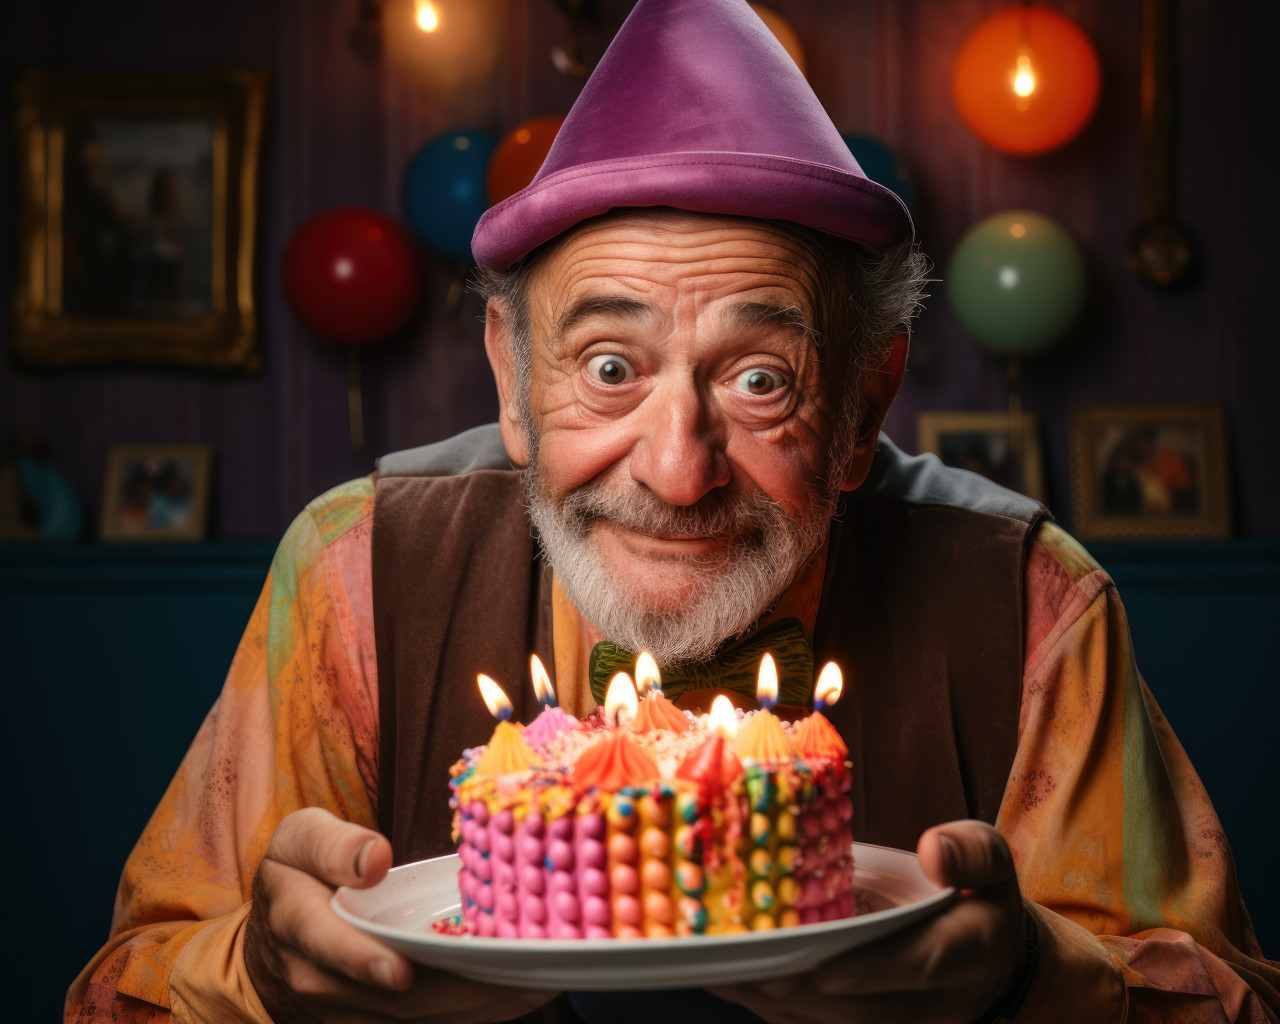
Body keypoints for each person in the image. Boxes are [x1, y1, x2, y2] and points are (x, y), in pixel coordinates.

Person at [68, 1, 1277, 1022]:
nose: (678, 470)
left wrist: (1027, 973)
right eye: (607, 366)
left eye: (760, 380)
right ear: (508, 375)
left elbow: (1222, 996)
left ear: (863, 401)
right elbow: (118, 991)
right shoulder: (353, 567)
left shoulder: (1032, 599)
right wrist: (264, 976)